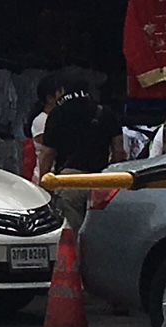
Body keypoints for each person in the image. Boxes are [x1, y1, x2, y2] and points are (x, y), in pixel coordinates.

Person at [40, 70, 118, 229]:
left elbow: (48, 153)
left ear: (62, 91)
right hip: (102, 181)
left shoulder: (57, 113)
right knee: (98, 231)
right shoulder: (105, 112)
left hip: (69, 180)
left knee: (71, 231)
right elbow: (119, 151)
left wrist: (44, 182)